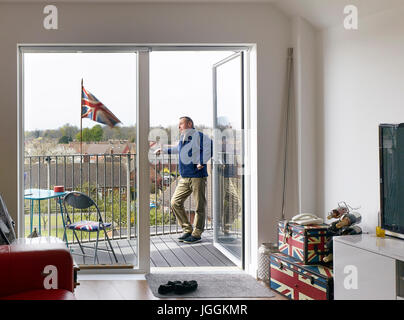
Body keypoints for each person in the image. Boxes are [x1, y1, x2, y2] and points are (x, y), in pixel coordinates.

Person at [155, 116, 212, 244]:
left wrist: (202, 161)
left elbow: (210, 147)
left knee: (199, 206)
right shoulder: (183, 138)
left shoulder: (199, 136)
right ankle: (187, 229)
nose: (179, 126)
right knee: (175, 202)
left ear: (189, 124)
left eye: (181, 124)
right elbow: (178, 149)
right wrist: (163, 150)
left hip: (197, 177)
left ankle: (196, 234)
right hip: (184, 177)